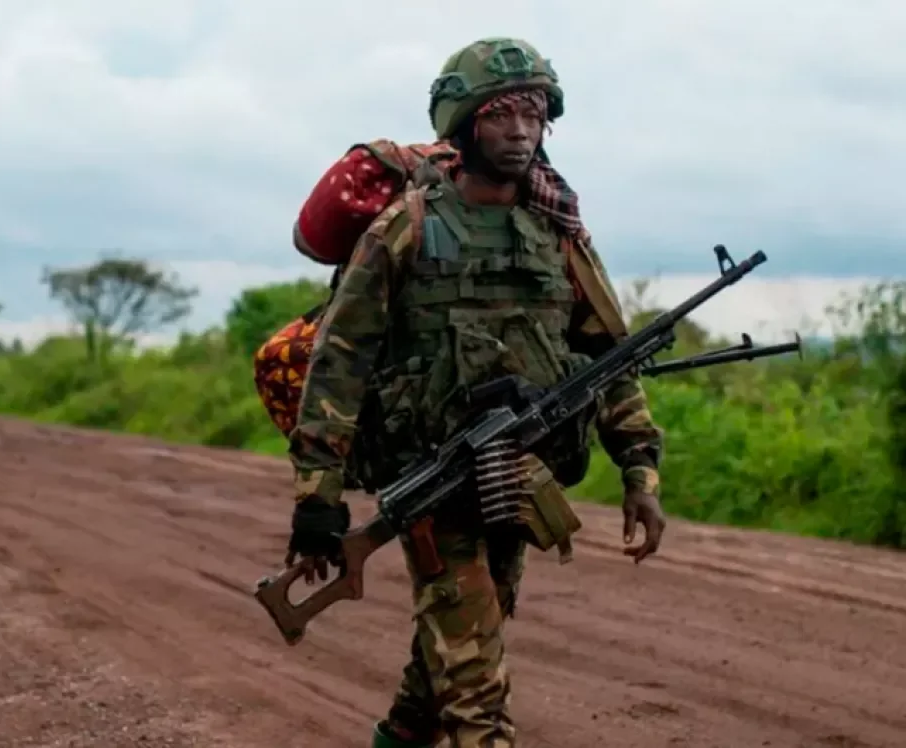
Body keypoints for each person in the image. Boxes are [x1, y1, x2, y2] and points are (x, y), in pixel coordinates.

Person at [284, 38, 667, 747]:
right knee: (476, 695)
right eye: (503, 116)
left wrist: (639, 468)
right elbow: (340, 361)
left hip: (518, 479)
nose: (521, 132)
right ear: (465, 123)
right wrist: (318, 498)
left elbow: (605, 357)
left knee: (449, 664)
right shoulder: (408, 227)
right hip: (434, 485)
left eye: (534, 115)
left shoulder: (557, 232)